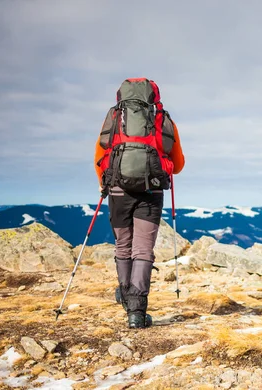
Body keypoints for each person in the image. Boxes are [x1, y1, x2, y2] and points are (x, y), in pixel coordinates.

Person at [93, 78, 185, 328]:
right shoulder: (164, 119)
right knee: (143, 249)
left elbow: (100, 155)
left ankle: (126, 298)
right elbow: (177, 165)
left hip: (118, 190)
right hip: (151, 190)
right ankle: (137, 312)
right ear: (154, 96)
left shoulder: (114, 117)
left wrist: (107, 183)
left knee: (123, 245)